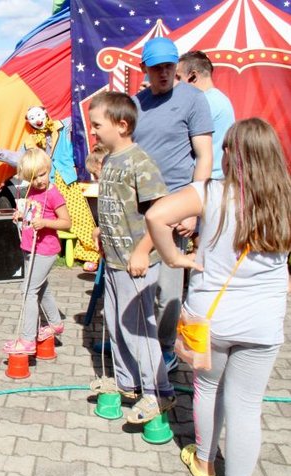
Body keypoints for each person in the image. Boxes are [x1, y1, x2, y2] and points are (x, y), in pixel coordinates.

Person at [146, 118, 291, 476]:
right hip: (264, 322)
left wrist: (174, 258)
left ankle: (204, 461)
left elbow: (156, 216)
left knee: (208, 388)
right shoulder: (285, 197)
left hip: (211, 316)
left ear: (232, 155)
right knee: (246, 407)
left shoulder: (209, 192)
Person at [89, 91, 175, 424]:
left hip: (135, 265)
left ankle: (159, 392)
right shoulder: (111, 159)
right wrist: (103, 231)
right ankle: (128, 382)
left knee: (138, 330)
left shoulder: (140, 162)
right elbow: (116, 205)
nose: (93, 130)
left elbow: (161, 213)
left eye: (98, 125)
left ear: (122, 125)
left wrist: (142, 250)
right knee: (115, 325)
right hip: (113, 261)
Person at [133, 37, 214, 372]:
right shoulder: (136, 104)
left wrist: (193, 209)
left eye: (169, 66)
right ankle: (138, 345)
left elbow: (205, 156)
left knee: (167, 291)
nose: (164, 73)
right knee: (137, 282)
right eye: (157, 68)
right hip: (138, 206)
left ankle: (166, 350)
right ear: (144, 69)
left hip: (175, 206)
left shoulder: (193, 99)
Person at [0, 106, 100, 272]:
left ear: (45, 113)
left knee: (80, 216)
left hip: (66, 179)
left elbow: (79, 114)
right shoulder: (30, 142)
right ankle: (43, 249)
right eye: (32, 117)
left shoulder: (62, 126)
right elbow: (19, 159)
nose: (37, 119)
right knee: (41, 215)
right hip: (45, 183)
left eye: (39, 115)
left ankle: (93, 254)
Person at [2, 148, 71, 354]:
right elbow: (31, 213)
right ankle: (55, 324)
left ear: (48, 169)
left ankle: (27, 339)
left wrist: (46, 223)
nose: (39, 181)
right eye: (33, 178)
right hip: (29, 247)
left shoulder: (53, 194)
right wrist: (20, 215)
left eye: (42, 174)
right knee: (41, 288)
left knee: (28, 291)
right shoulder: (31, 190)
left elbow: (66, 222)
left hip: (45, 249)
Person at [176, 50, 235, 180]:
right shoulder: (219, 99)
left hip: (207, 179)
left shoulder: (205, 102)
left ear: (193, 76)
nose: (175, 83)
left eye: (178, 78)